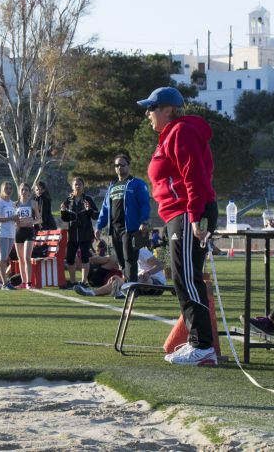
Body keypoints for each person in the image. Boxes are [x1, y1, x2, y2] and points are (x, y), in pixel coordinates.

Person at [139, 86, 219, 366]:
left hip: (188, 213)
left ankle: (203, 347)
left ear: (168, 109)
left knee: (187, 277)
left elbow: (194, 176)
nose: (147, 113)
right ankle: (198, 343)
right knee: (183, 277)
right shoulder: (168, 136)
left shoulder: (180, 132)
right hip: (179, 214)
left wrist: (195, 216)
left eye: (152, 108)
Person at [95, 153, 151, 282]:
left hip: (131, 228)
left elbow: (144, 204)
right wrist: (99, 225)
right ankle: (126, 286)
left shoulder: (137, 183)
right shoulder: (112, 186)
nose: (119, 167)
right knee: (121, 260)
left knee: (129, 259)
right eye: (116, 165)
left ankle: (132, 291)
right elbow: (105, 207)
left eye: (122, 165)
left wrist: (144, 221)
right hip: (115, 228)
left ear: (128, 166)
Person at [59, 176, 99, 288]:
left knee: (85, 257)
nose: (77, 186)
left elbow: (96, 215)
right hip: (72, 234)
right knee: (70, 258)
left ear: (83, 186)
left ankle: (83, 282)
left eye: (80, 184)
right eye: (75, 184)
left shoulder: (88, 199)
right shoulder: (68, 200)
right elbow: (65, 219)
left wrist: (89, 210)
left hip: (85, 233)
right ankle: (73, 282)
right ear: (72, 186)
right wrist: (63, 212)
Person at [14, 183, 42, 289]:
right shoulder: (15, 204)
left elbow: (40, 219)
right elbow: (12, 219)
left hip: (29, 231)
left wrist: (33, 221)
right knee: (20, 259)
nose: (24, 192)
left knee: (27, 258)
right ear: (19, 191)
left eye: (26, 190)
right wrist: (16, 222)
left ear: (30, 192)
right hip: (18, 232)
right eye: (22, 190)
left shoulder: (33, 203)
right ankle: (24, 282)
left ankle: (29, 283)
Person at [0, 181, 18, 290]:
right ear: (2, 190)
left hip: (11, 233)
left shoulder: (12, 203)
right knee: (3, 258)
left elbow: (14, 218)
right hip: (2, 233)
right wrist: (11, 218)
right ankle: (4, 283)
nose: (8, 190)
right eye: (6, 188)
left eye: (10, 188)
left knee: (2, 258)